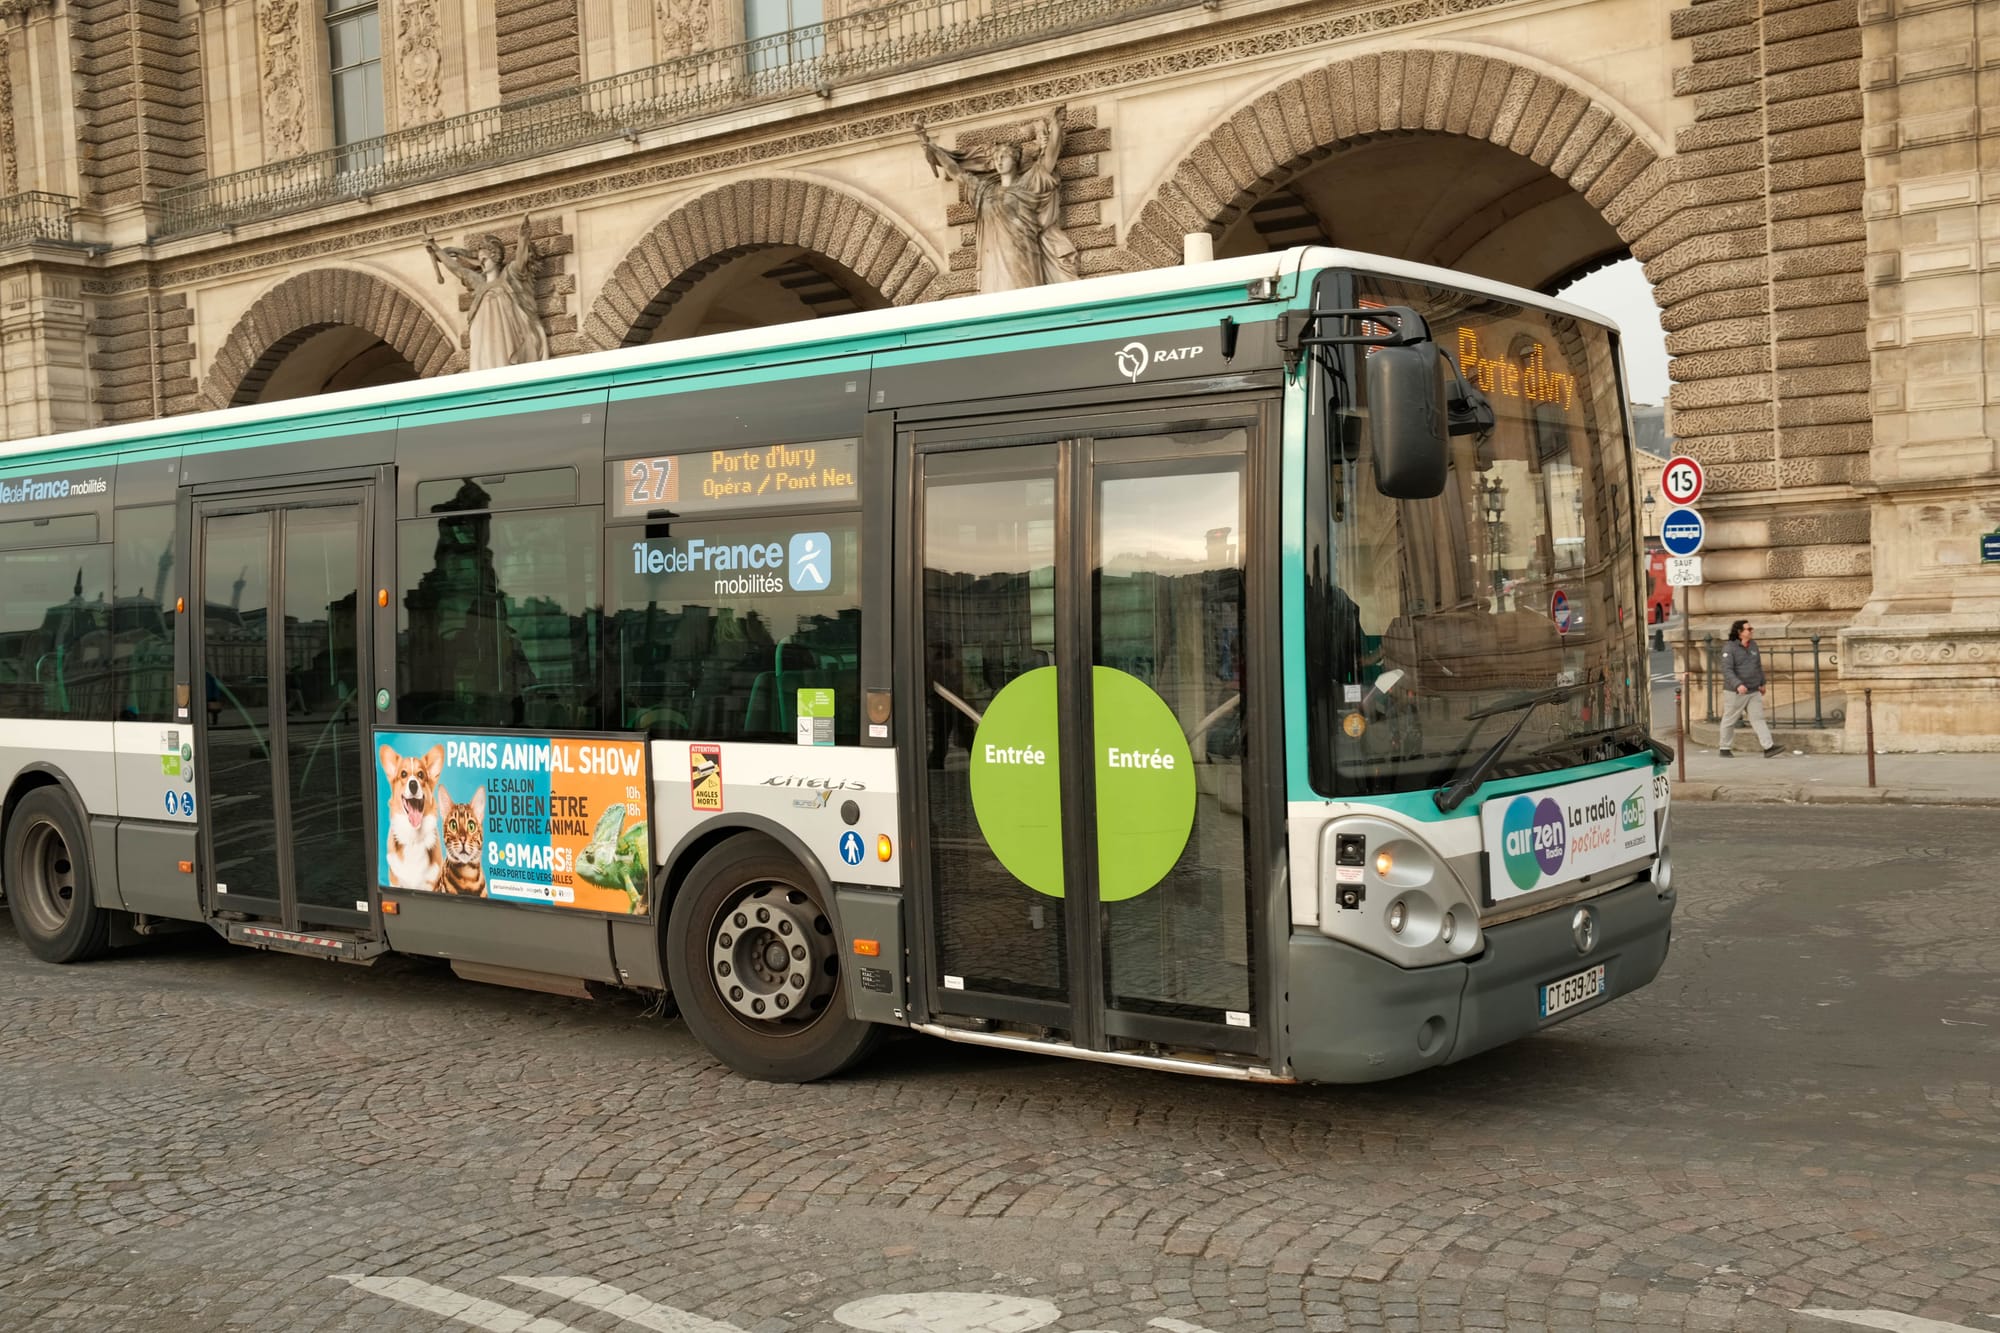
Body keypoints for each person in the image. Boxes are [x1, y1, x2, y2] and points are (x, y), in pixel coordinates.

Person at [915, 110, 1079, 292]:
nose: (999, 161)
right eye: (996, 158)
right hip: (992, 262)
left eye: (1004, 156)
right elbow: (957, 172)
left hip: (1023, 258)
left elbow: (1049, 158)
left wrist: (1055, 125)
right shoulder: (984, 191)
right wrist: (929, 144)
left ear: (1015, 159)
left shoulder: (1028, 185)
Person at [426, 214, 547, 371]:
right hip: (483, 335)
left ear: (495, 257)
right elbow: (458, 269)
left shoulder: (508, 277)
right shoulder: (479, 284)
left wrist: (523, 238)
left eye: (485, 259)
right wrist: (436, 249)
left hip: (506, 335)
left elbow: (520, 262)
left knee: (504, 362)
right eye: (480, 259)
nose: (482, 263)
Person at [1719, 618, 1782, 757]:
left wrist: (1762, 682)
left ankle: (1768, 747)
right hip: (1736, 692)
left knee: (1758, 719)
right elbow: (1727, 669)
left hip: (1753, 690)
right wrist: (1738, 684)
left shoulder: (1753, 645)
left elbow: (1758, 665)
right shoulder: (1730, 648)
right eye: (1749, 629)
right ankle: (1724, 748)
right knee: (1730, 719)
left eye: (1751, 628)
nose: (1751, 631)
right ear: (1740, 632)